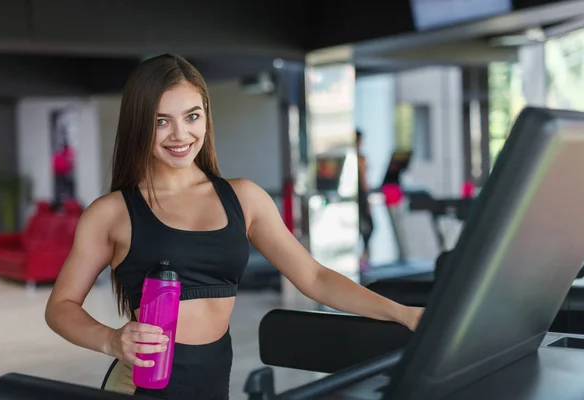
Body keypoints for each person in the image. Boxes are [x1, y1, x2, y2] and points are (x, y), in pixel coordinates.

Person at [44, 54, 424, 400]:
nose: (180, 135)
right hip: (140, 386)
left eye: (192, 116)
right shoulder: (112, 213)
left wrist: (402, 313)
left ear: (206, 116)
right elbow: (60, 307)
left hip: (212, 384)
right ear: (139, 125)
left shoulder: (243, 198)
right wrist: (111, 340)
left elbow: (315, 277)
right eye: (162, 121)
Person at [356, 130, 374, 269]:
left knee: (365, 228)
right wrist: (368, 198)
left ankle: (363, 257)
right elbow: (364, 181)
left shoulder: (356, 157)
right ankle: (363, 258)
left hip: (358, 197)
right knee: (368, 227)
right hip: (360, 197)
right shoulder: (359, 159)